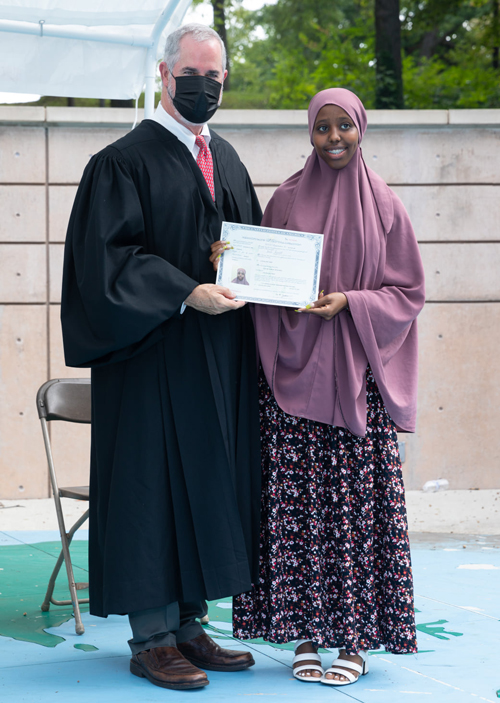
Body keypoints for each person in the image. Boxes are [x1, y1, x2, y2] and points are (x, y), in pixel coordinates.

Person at [61, 23, 263, 692]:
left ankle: (189, 624)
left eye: (216, 76)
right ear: (164, 74)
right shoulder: (122, 161)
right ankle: (151, 637)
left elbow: (249, 249)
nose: (205, 85)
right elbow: (105, 265)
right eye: (193, 73)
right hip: (149, 360)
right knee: (152, 491)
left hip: (215, 360)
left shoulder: (227, 159)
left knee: (205, 487)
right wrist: (183, 293)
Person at [222, 88, 425, 686]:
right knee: (297, 514)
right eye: (322, 129)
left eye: (344, 127)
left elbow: (407, 292)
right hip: (290, 382)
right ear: (309, 134)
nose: (334, 138)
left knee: (354, 514)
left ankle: (355, 642)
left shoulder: (385, 205)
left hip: (355, 383)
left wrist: (351, 303)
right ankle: (307, 635)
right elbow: (255, 280)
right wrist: (231, 262)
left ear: (360, 129)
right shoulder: (285, 199)